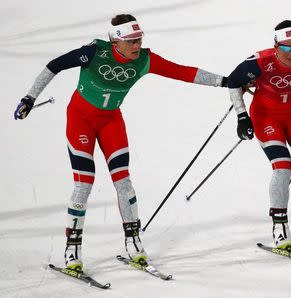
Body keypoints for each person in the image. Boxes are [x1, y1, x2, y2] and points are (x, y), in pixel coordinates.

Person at [14, 14, 228, 271]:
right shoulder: (93, 53)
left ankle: (133, 241)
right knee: (84, 184)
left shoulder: (145, 60)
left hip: (111, 122)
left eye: (139, 39)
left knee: (123, 182)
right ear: (115, 42)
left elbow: (183, 72)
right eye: (131, 41)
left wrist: (226, 81)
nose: (136, 46)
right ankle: (72, 249)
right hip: (81, 121)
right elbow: (54, 65)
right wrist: (29, 97)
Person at [226, 20, 291, 249]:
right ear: (276, 46)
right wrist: (242, 116)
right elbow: (234, 82)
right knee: (282, 166)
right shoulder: (260, 61)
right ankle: (280, 226)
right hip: (266, 117)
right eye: (286, 48)